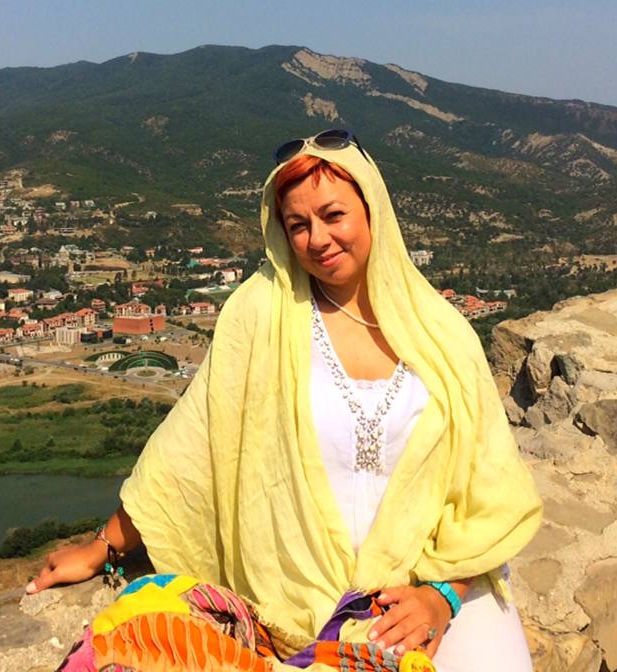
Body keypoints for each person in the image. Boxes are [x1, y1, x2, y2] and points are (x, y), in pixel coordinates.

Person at [28, 130, 542, 670]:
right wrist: (103, 546)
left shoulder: (441, 334)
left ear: (373, 210)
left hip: (435, 582)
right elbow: (189, 451)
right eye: (298, 225)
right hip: (297, 599)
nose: (318, 239)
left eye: (334, 215)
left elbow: (489, 488)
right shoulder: (261, 315)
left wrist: (442, 597)